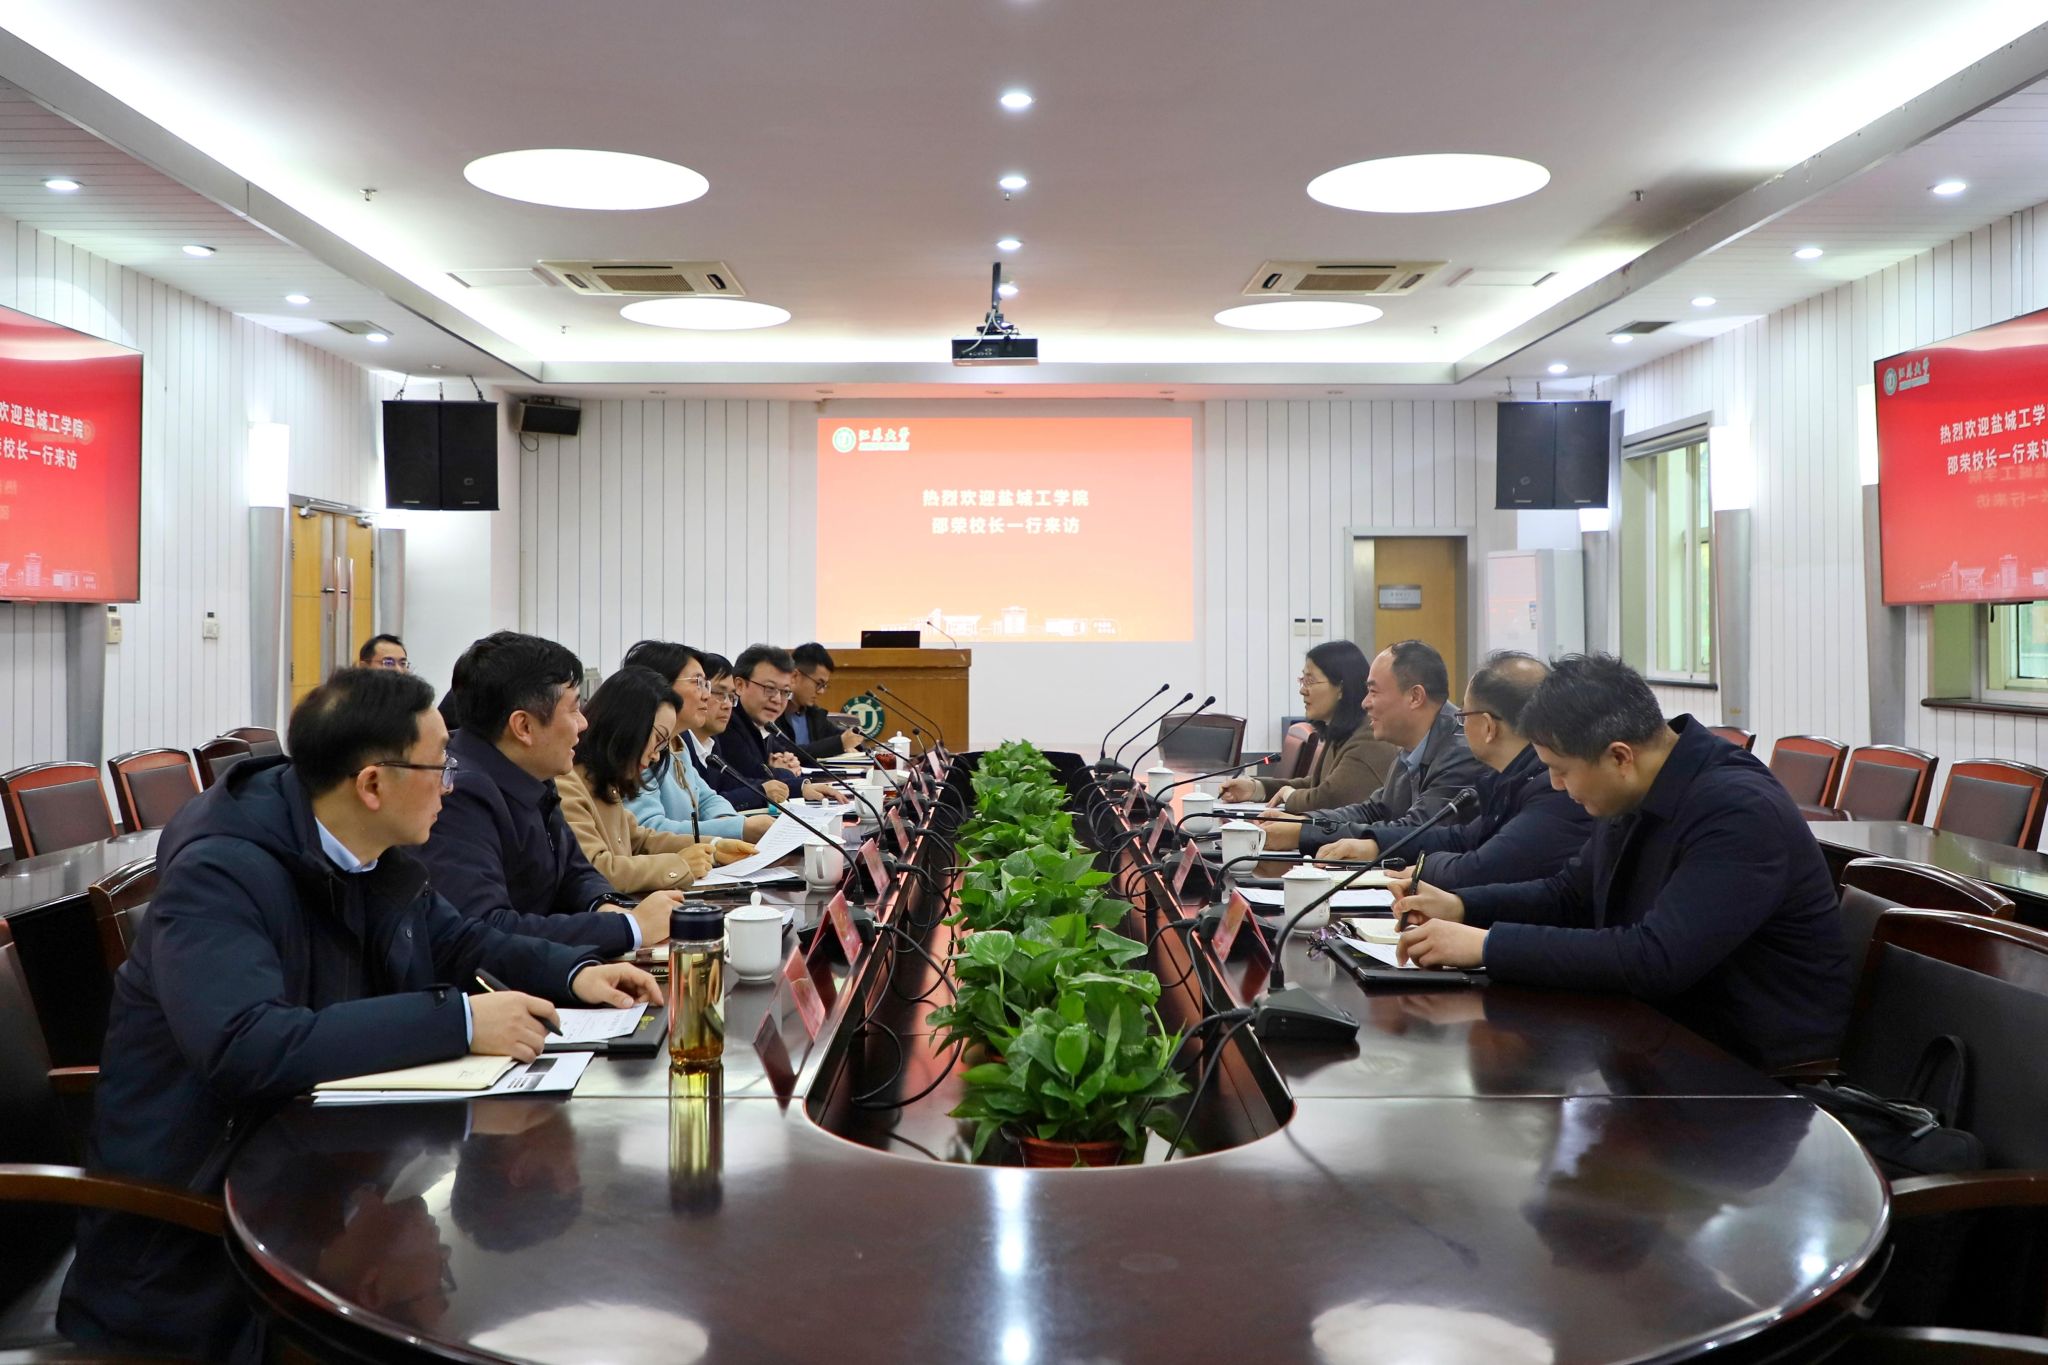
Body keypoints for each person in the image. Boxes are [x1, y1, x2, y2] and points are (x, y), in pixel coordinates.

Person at [58, 667, 660, 1363]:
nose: (452, 786)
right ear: (373, 784)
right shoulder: (220, 873)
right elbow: (246, 1043)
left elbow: (459, 939)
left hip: (320, 1177)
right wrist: (460, 1022)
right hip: (199, 1246)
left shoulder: (366, 849)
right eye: (440, 767)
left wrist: (576, 972)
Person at [1393, 653, 1852, 1071]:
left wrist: (1487, 946)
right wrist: (1463, 906)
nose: (1555, 785)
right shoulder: (1637, 789)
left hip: (1750, 1072)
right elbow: (1569, 895)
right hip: (1660, 1037)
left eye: (1561, 770)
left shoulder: (1738, 811)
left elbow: (1655, 958)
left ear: (1619, 757)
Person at [417, 632, 681, 957]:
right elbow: (485, 928)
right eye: (574, 710)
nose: (583, 724)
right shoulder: (459, 794)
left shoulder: (532, 771)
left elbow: (574, 870)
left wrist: (604, 906)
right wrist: (630, 928)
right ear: (524, 727)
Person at [1316, 652, 1591, 889]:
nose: (1459, 724)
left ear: (1488, 726)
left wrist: (1420, 869)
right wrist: (1375, 844)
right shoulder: (1508, 778)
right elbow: (1462, 837)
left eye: (1464, 715)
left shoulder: (1548, 787)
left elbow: (1483, 866)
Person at [1292, 639, 1491, 855]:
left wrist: (1303, 834)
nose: (1365, 702)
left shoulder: (1462, 752)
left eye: (1373, 692)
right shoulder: (1410, 746)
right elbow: (1374, 811)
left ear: (1415, 697)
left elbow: (1416, 831)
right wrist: (1305, 823)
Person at [557, 666, 748, 892]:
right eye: (658, 740)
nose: (656, 755)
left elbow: (642, 840)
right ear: (628, 725)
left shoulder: (605, 782)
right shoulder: (568, 784)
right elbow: (596, 869)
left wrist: (714, 847)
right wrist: (680, 864)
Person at [620, 640, 775, 844]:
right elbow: (649, 830)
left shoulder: (677, 743)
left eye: (707, 685)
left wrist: (728, 822)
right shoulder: (638, 749)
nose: (706, 695)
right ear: (659, 684)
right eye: (698, 683)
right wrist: (739, 829)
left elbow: (706, 798)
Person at [1218, 640, 1397, 814]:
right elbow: (1316, 784)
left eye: (1310, 681)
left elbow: (1328, 799)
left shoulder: (1369, 738)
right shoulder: (1341, 731)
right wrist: (1256, 789)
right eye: (1302, 680)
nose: (1302, 690)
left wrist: (1289, 795)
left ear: (1341, 688)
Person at [713, 643, 825, 804]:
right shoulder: (726, 724)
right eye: (770, 688)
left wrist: (786, 766)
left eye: (785, 692)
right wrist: (783, 773)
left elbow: (783, 761)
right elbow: (752, 776)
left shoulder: (762, 724)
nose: (777, 699)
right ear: (740, 685)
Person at [782, 642, 864, 760]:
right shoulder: (774, 712)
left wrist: (852, 744)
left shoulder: (813, 714)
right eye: (819, 684)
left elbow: (845, 738)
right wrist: (840, 743)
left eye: (824, 685)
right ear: (796, 676)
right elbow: (785, 751)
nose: (821, 691)